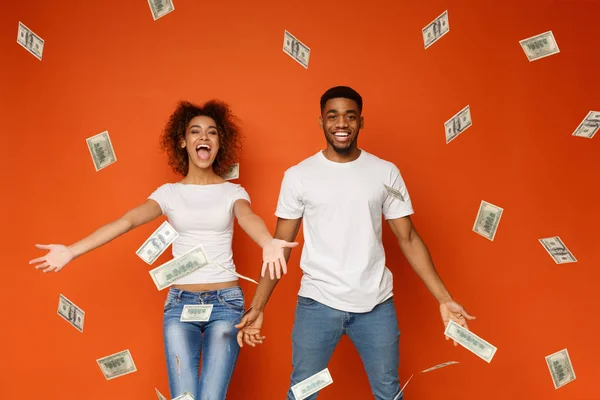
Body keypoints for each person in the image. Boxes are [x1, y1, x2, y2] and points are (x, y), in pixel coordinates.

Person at [29, 100, 297, 400]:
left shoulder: (232, 192)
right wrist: (71, 251)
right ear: (183, 142)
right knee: (183, 398)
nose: (204, 138)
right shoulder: (169, 194)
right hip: (180, 304)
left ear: (220, 143)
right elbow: (127, 221)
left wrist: (267, 242)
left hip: (226, 304)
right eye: (195, 132)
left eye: (212, 133)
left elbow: (248, 217)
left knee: (211, 398)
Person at [236, 86, 476, 400]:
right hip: (318, 304)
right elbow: (280, 245)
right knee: (302, 394)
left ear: (361, 122)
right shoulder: (299, 176)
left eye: (350, 116)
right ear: (320, 121)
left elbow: (408, 237)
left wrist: (444, 299)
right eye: (332, 116)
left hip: (376, 306)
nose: (341, 123)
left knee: (389, 393)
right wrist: (258, 305)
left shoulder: (385, 173)